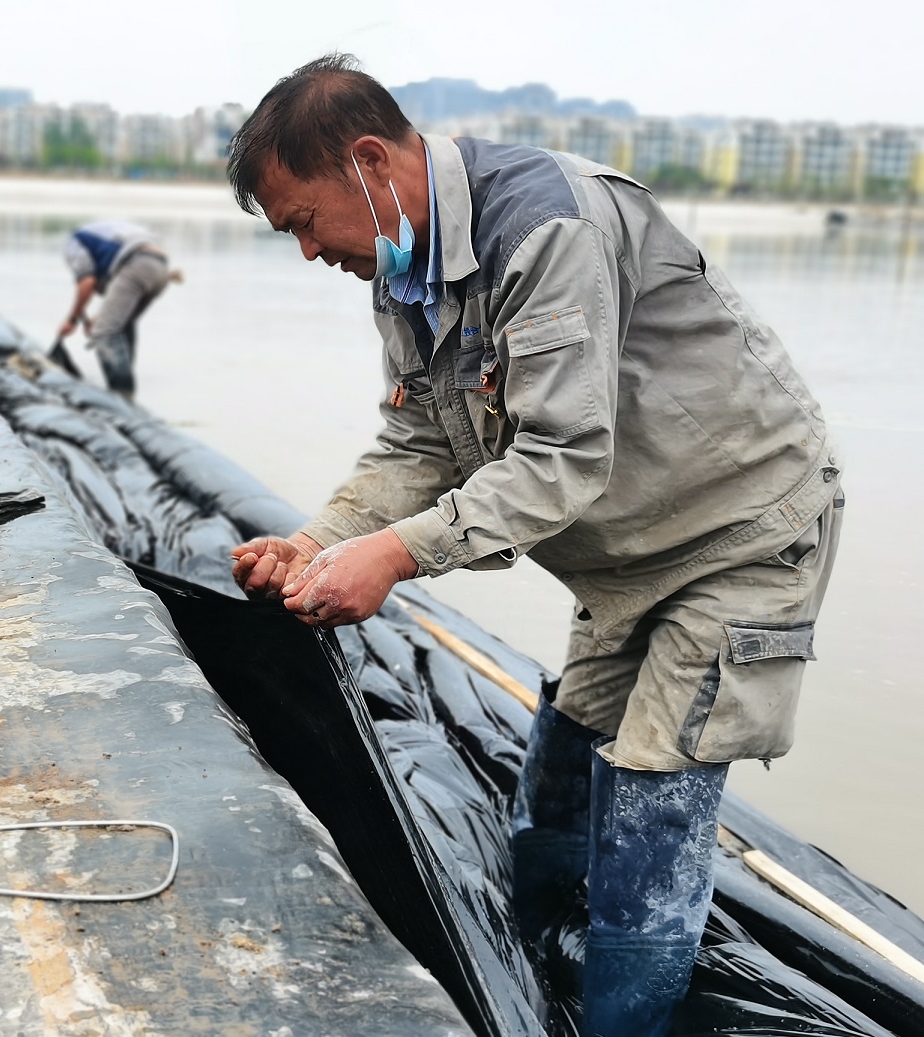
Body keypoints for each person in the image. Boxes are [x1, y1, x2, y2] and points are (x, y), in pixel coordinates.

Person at [226, 55, 841, 1037]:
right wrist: (318, 541)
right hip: (628, 552)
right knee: (561, 773)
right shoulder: (406, 269)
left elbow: (560, 459)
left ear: (370, 162)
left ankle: (619, 1020)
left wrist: (393, 556)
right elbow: (420, 441)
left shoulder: (544, 228)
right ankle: (532, 985)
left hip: (737, 536)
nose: (306, 251)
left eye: (302, 221)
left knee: (649, 800)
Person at [56, 220, 175, 398]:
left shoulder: (74, 242)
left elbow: (87, 282)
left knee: (104, 333)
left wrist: (72, 320)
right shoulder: (103, 233)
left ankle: (121, 397)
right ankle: (129, 397)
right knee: (121, 326)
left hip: (137, 264)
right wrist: (97, 317)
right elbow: (117, 293)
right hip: (161, 269)